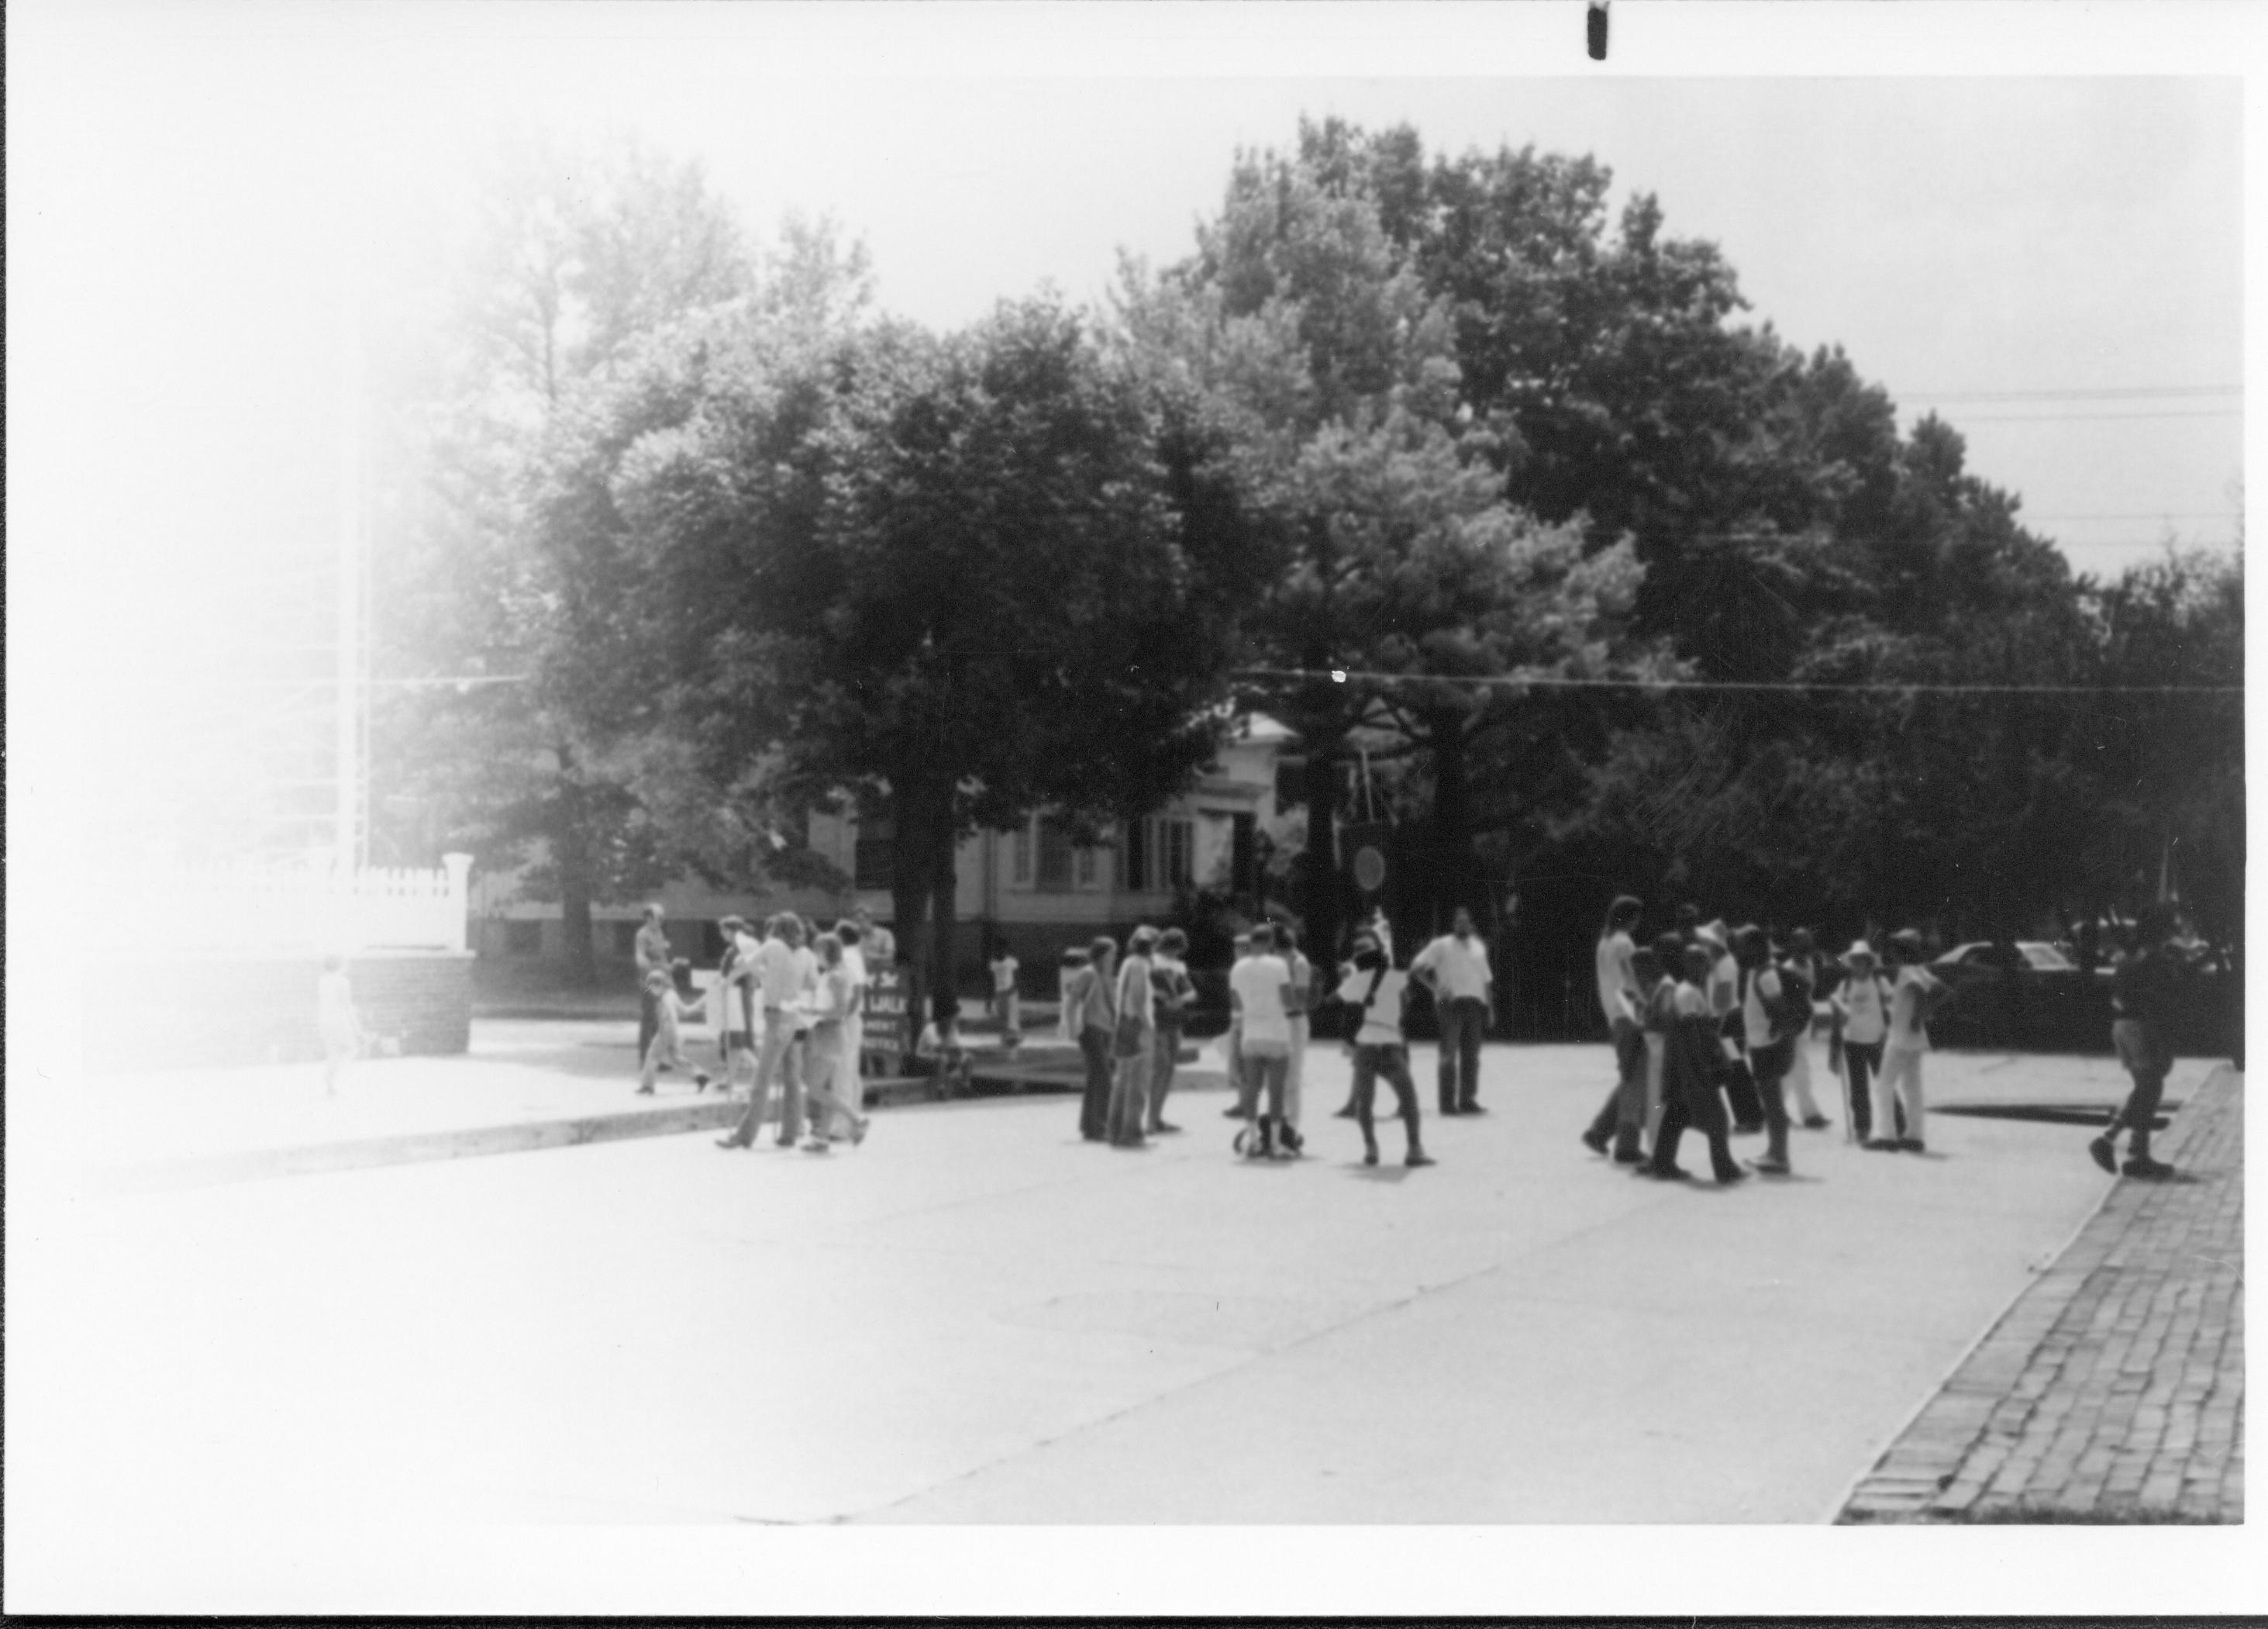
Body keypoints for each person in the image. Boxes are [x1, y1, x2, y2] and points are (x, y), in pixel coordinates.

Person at [2090, 905, 2181, 1179]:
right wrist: (2162, 1042)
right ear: (2160, 930)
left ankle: (2118, 1144)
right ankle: (2131, 1152)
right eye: (2168, 926)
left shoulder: (2128, 957)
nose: (2171, 931)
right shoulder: (2154, 959)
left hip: (2122, 1024)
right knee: (2151, 1087)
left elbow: (2117, 996)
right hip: (2141, 1025)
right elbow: (2154, 1003)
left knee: (2146, 1088)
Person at [1645, 943, 1747, 1186]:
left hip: (1684, 1067)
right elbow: (1691, 1034)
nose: (1703, 968)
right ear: (1688, 964)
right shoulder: (1688, 993)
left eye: (1705, 963)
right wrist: (1704, 1067)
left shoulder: (1687, 990)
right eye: (1698, 963)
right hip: (1693, 1066)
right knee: (1717, 1118)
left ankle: (1662, 1164)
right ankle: (1724, 1168)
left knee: (1677, 1114)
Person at [1334, 930, 1435, 1168]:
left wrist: (1348, 978)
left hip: (1366, 1043)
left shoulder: (1355, 981)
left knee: (1365, 1102)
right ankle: (1414, 1149)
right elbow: (1406, 1001)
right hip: (1390, 1041)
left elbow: (1340, 1005)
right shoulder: (1397, 977)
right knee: (1408, 1099)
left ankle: (1371, 1147)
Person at [718, 914, 809, 1150]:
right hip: (795, 1015)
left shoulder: (772, 946)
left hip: (776, 1016)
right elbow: (809, 982)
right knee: (792, 1078)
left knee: (763, 1078)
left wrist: (731, 976)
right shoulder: (804, 954)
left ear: (775, 930)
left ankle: (745, 1134)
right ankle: (790, 1132)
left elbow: (746, 964)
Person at [1866, 929, 1949, 1154]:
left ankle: (1887, 1135)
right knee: (1912, 1087)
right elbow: (1941, 991)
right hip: (1915, 1037)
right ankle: (1914, 1135)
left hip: (1901, 1036)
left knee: (1884, 1084)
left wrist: (1917, 1015)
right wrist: (1922, 1015)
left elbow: (1921, 992)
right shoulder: (1919, 969)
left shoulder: (1906, 972)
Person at [1582, 895, 1649, 1163]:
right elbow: (1632, 981)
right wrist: (1646, 1006)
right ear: (1630, 918)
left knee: (1630, 1078)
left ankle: (1600, 1131)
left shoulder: (1605, 942)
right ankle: (1625, 1145)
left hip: (1615, 1015)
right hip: (1630, 1015)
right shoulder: (1624, 943)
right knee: (1635, 1081)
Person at [1411, 907, 1494, 1116]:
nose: (1462, 925)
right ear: (1453, 924)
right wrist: (1435, 988)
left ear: (1471, 924)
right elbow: (1416, 967)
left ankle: (1467, 1100)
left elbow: (1486, 980)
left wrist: (1490, 1008)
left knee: (1471, 1056)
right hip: (1451, 1004)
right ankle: (1447, 1105)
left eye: (1466, 922)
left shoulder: (1478, 947)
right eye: (1459, 921)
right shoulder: (1442, 945)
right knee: (1448, 1055)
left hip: (1474, 1005)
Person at [1733, 926, 1801, 1175]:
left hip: (1767, 1048)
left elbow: (1779, 1011)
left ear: (1755, 947)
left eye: (1741, 945)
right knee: (1771, 1102)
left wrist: (1777, 1039)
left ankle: (1779, 1156)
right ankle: (1774, 1151)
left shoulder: (1766, 975)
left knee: (1773, 1104)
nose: (1738, 951)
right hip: (1761, 1044)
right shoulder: (1757, 972)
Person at [797, 935, 872, 1151]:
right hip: (827, 1032)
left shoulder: (836, 976)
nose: (815, 956)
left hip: (829, 1033)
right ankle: (822, 1138)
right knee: (826, 1088)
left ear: (825, 952)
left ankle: (856, 1120)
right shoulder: (833, 974)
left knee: (815, 1088)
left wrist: (809, 1011)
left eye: (817, 951)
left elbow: (840, 1011)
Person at [1229, 923, 1297, 1158]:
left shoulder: (1238, 967)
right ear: (1270, 943)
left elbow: (1236, 1004)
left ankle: (1253, 1140)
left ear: (1251, 941)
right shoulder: (1279, 965)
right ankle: (1276, 1144)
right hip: (1277, 1032)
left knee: (1251, 1090)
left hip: (1251, 1032)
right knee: (1276, 1092)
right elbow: (1288, 1001)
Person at [1698, 920, 1766, 1132]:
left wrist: (1714, 1026)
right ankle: (1747, 1117)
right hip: (1725, 1020)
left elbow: (1723, 1001)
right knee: (1733, 1070)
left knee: (1736, 1070)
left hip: (1729, 1021)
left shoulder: (1725, 964)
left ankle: (1752, 1117)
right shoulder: (1716, 963)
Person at [1830, 941, 1892, 1143]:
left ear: (1868, 963)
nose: (1858, 966)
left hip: (1876, 1040)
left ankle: (1895, 1125)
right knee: (1858, 1088)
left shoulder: (1880, 982)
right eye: (1854, 962)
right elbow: (1838, 1017)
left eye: (1861, 962)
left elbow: (1891, 1007)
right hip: (1853, 1041)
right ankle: (1862, 1127)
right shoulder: (1845, 986)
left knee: (1886, 1083)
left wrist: (1888, 1031)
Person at [1107, 927, 1158, 1148]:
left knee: (1122, 1080)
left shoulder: (1128, 963)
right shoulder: (1141, 966)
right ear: (1153, 947)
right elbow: (1138, 1000)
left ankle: (1115, 1130)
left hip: (1123, 1023)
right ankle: (1132, 1133)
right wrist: (1149, 1027)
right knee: (1138, 1083)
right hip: (1136, 1024)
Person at [1780, 927, 1831, 1130]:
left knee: (1792, 1068)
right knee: (1800, 1067)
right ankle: (1810, 1114)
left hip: (1805, 1021)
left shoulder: (1809, 964)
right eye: (1801, 944)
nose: (1805, 948)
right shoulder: (1788, 969)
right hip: (1793, 1022)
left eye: (1807, 943)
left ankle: (1771, 1107)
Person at [1147, 927, 1194, 1134]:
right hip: (1158, 1021)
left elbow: (1191, 993)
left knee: (1168, 1071)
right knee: (1162, 1067)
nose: (1176, 955)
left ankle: (1156, 1117)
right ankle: (1150, 1120)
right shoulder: (1151, 964)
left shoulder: (1178, 967)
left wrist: (1179, 999)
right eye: (1175, 950)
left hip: (1174, 1021)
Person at [1070, 936, 1117, 1141]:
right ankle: (1099, 1126)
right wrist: (1072, 1027)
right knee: (1104, 1078)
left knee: (1095, 1079)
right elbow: (1072, 1000)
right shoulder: (1088, 973)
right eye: (1111, 953)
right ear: (1102, 954)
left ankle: (1090, 1126)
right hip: (1090, 1029)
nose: (1114, 957)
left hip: (1106, 1029)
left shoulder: (1107, 975)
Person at [636, 969, 712, 1096]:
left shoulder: (664, 1000)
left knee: (652, 1056)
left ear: (659, 985)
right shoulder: (671, 994)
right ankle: (700, 1075)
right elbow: (686, 1011)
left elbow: (669, 1015)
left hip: (665, 1031)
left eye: (653, 986)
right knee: (676, 1058)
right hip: (675, 1032)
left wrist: (663, 1033)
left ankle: (647, 1086)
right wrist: (701, 1003)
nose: (651, 990)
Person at [1278, 923, 1314, 1137]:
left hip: (1293, 1022)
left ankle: (1292, 1126)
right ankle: (1280, 1121)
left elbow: (1299, 1001)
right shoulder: (1278, 962)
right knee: (1278, 1078)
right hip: (1280, 1022)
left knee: (1292, 1077)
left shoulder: (1298, 963)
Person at [836, 923, 869, 1117]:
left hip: (848, 1016)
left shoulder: (847, 957)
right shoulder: (854, 956)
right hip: (852, 1016)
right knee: (850, 1068)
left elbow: (857, 989)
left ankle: (842, 1123)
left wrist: (844, 1016)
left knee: (843, 1071)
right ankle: (854, 1115)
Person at [634, 904, 672, 1067]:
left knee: (660, 1019)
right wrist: (650, 969)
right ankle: (645, 1059)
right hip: (649, 983)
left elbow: (662, 956)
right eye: (651, 918)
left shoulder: (659, 933)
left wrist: (668, 972)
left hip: (661, 980)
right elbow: (640, 956)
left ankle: (657, 1058)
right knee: (649, 1016)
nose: (655, 922)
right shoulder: (643, 934)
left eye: (657, 919)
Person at [316, 956, 360, 1096]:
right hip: (339, 1020)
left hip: (324, 1020)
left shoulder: (322, 981)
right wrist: (357, 1027)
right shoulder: (343, 982)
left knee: (333, 1051)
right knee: (351, 1049)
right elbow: (346, 1005)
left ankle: (331, 1082)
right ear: (341, 965)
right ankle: (331, 1074)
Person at [988, 940, 1022, 1051]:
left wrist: (1014, 988)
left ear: (1005, 950)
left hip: (1010, 991)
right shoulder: (993, 963)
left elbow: (1017, 976)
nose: (999, 951)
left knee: (1011, 1017)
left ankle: (1013, 1040)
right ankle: (1004, 1039)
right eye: (997, 949)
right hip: (999, 992)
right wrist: (989, 1000)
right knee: (1002, 1016)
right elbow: (991, 980)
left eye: (1001, 949)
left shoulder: (1011, 962)